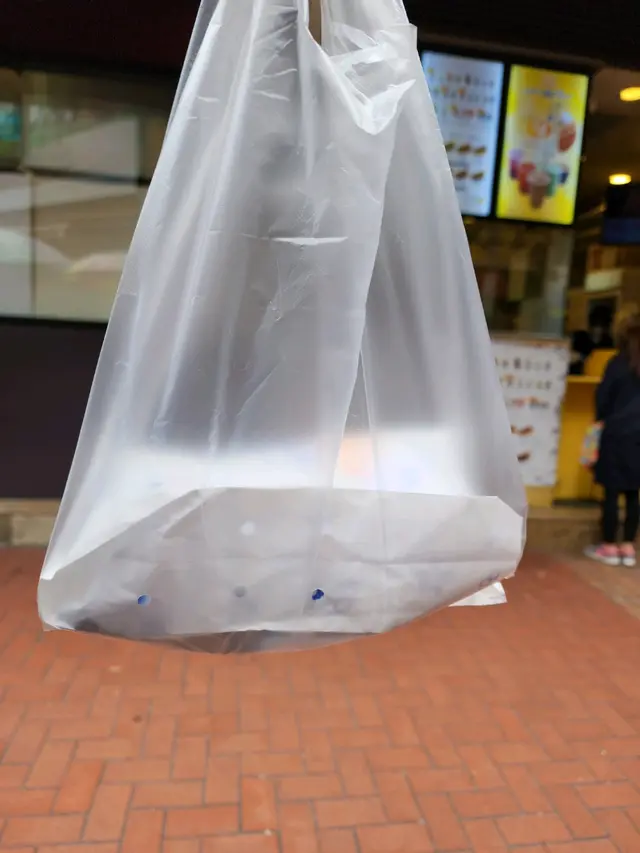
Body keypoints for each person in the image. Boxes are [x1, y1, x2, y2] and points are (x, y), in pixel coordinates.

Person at [585, 313, 640, 567]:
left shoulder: (617, 364)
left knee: (611, 492)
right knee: (633, 493)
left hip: (616, 435)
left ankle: (608, 545)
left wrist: (602, 418)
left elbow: (602, 399)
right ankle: (628, 547)